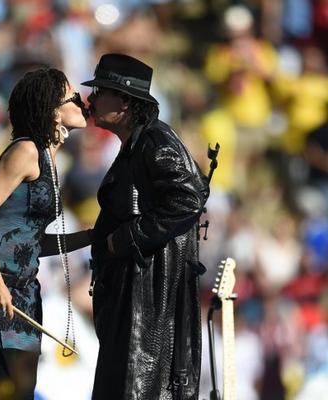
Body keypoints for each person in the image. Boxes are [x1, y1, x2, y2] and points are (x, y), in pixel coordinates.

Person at [82, 53, 210, 399]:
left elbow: (189, 198)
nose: (91, 100)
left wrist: (125, 239)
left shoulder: (154, 141)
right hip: (137, 292)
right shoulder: (139, 143)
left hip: (148, 297)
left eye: (100, 92)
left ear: (124, 102)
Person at [0, 68, 91, 399]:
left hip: (25, 291)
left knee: (22, 392)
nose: (82, 104)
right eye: (73, 98)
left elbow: (31, 242)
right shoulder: (26, 152)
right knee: (6, 391)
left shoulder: (50, 159)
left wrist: (90, 237)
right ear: (53, 110)